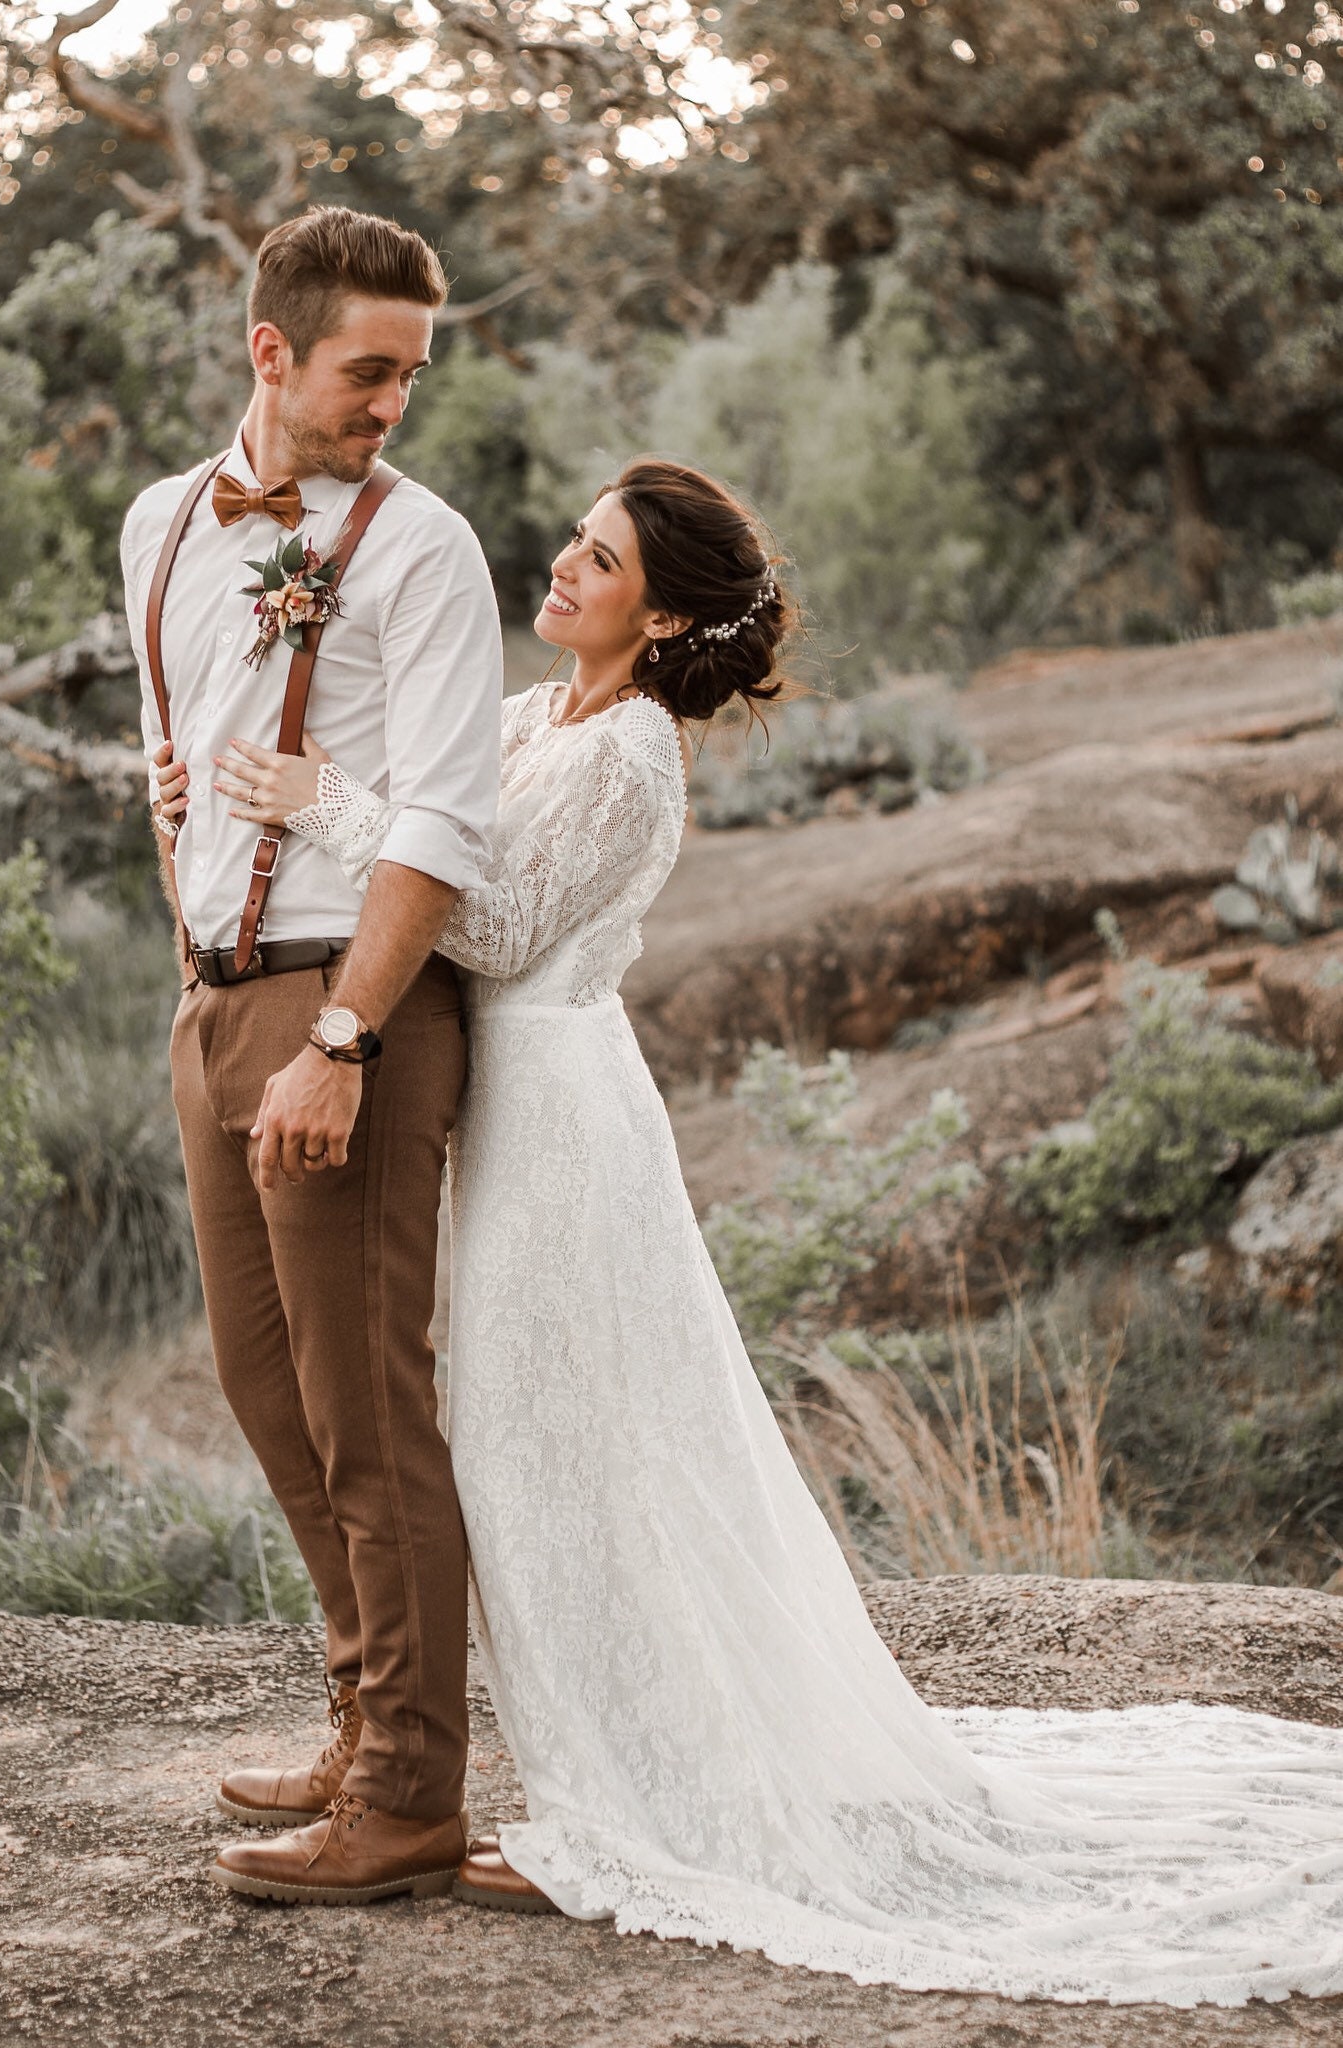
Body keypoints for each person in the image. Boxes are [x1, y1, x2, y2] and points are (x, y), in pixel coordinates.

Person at [160, 459, 1343, 2003]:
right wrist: (249, 793)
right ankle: (477, 1753)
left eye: (600, 560)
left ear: (658, 617)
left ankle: (625, 1806)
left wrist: (325, 799)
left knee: (560, 1447)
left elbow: (497, 920)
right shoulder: (542, 718)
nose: (566, 567)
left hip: (562, 1113)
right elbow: (425, 828)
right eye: (578, 543)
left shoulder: (636, 750)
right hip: (504, 1103)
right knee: (532, 1442)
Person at [122, 205, 503, 1905]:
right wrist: (196, 947)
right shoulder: (157, 523)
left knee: (368, 1408)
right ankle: (365, 1716)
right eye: (369, 370)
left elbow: (443, 816)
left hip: (346, 1010)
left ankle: (414, 1788)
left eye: (413, 373)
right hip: (213, 998)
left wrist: (341, 1034)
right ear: (270, 353)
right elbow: (178, 749)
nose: (393, 404)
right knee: (266, 1392)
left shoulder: (423, 550)